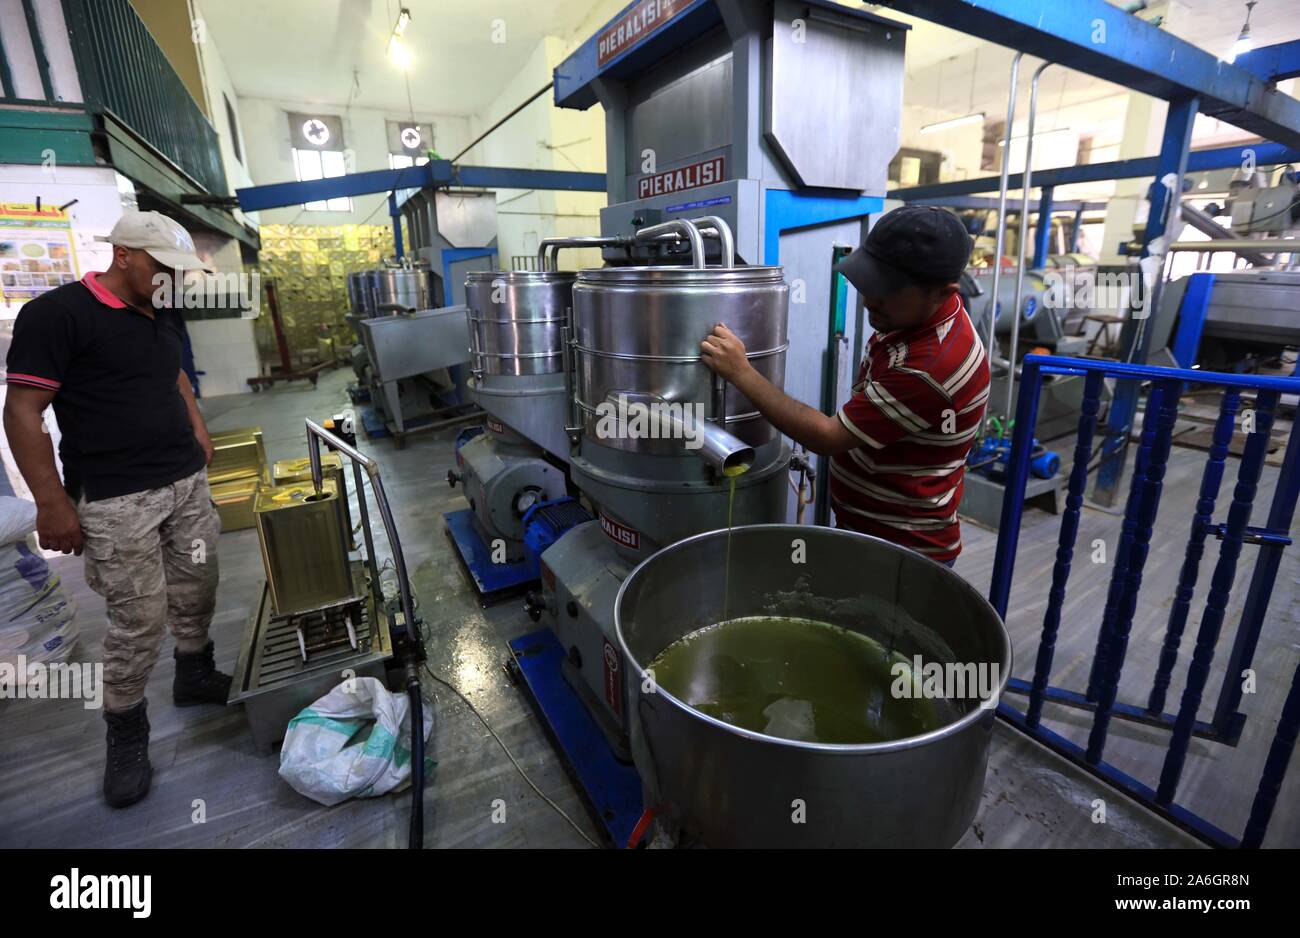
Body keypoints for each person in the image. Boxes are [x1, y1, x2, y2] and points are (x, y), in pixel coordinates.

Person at [3, 210, 229, 808]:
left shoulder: (162, 307)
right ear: (123, 254)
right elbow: (23, 411)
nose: (170, 281)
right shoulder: (57, 315)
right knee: (138, 619)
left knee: (198, 585)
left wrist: (198, 427)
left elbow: (174, 373)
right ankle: (126, 733)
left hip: (183, 480)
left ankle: (194, 672)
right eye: (161, 268)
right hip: (114, 496)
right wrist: (51, 502)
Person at [700, 205, 988, 566]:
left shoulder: (932, 366)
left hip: (902, 549)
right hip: (866, 527)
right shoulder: (908, 322)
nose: (868, 300)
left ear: (943, 292)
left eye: (887, 291)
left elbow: (828, 437)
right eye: (870, 284)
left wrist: (741, 373)